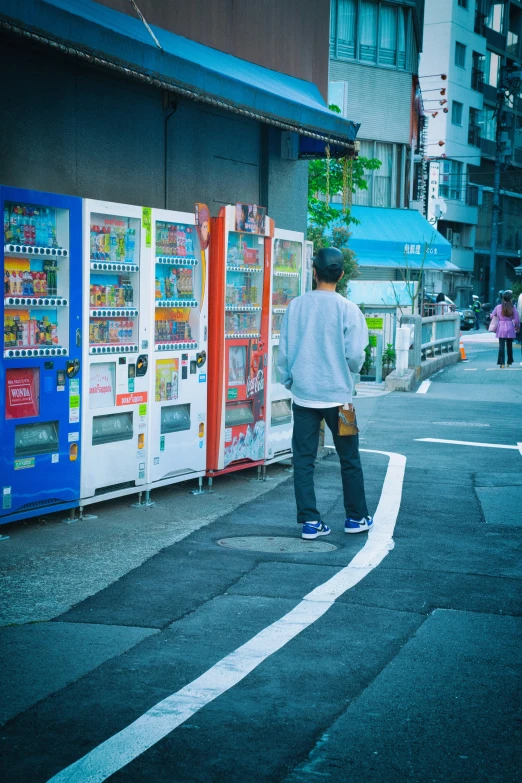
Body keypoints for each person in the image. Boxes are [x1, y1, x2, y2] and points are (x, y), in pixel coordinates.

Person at [277, 247, 372, 540]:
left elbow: (284, 351)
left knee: (303, 459)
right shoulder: (349, 309)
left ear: (314, 273)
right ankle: (356, 518)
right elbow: (356, 355)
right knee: (350, 459)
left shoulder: (296, 307)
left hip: (304, 397)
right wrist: (350, 373)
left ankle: (310, 522)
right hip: (342, 400)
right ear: (341, 275)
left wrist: (290, 380)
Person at [491, 291, 520, 368]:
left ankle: (502, 363)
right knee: (509, 345)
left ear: (503, 298)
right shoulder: (513, 307)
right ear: (510, 299)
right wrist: (517, 327)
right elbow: (516, 319)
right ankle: (509, 362)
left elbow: (492, 316)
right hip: (510, 327)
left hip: (501, 327)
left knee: (501, 345)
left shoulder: (498, 307)